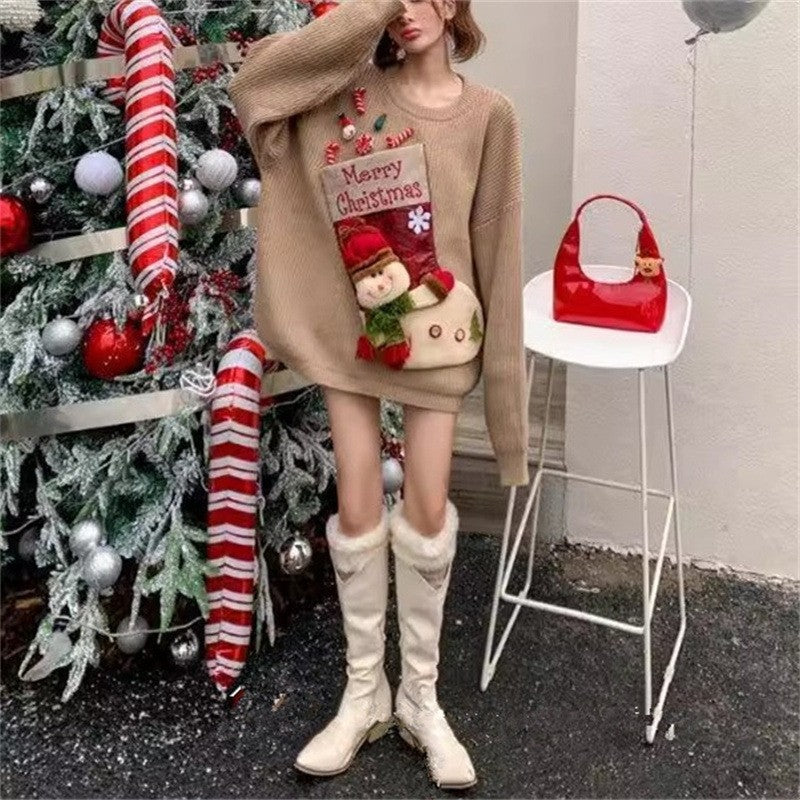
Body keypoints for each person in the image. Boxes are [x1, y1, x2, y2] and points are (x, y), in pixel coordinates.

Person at [229, 0, 530, 789]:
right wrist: (368, 13)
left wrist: (509, 419)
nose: (408, 12)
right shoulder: (347, 98)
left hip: (443, 338)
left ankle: (421, 700)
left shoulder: (490, 115)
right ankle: (364, 694)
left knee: (426, 510)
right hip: (349, 343)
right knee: (358, 506)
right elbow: (257, 85)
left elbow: (499, 250)